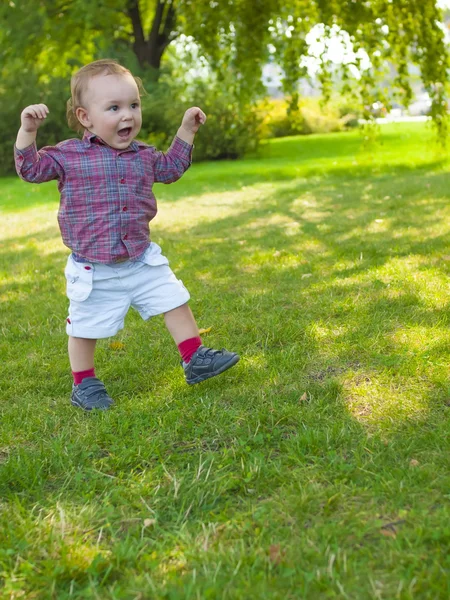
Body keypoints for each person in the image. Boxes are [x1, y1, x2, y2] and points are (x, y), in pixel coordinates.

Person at [14, 59, 239, 411]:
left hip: (140, 257)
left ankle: (194, 358)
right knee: (85, 327)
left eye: (133, 105)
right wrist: (28, 131)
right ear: (85, 117)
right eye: (114, 108)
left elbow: (172, 167)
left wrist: (186, 131)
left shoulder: (144, 155)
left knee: (173, 299)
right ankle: (84, 383)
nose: (128, 116)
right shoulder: (69, 156)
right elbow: (30, 169)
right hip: (93, 267)